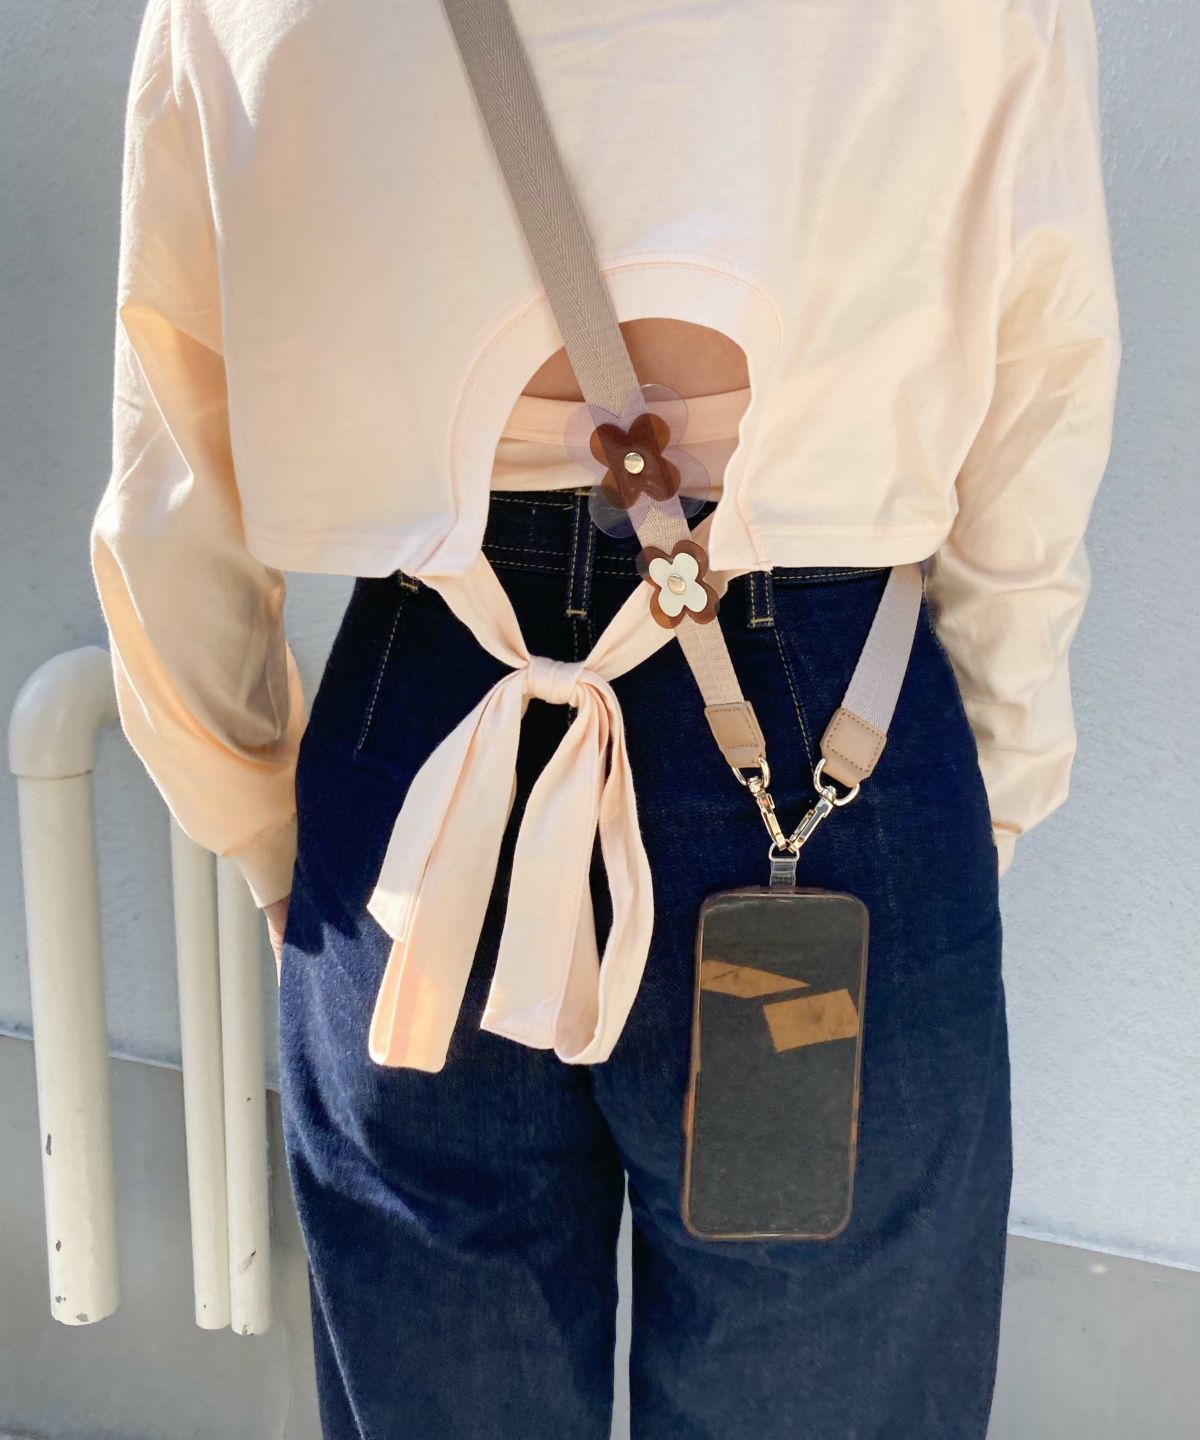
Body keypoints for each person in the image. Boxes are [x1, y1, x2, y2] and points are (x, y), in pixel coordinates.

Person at [89, 1, 1121, 1435]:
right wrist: (973, 807)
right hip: (832, 730)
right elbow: (1040, 379)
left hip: (425, 746)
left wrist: (262, 825)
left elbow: (171, 441)